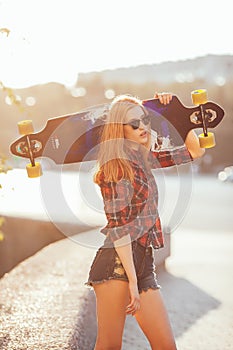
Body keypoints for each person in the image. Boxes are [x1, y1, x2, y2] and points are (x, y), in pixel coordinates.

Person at [86, 92, 205, 350]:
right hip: (117, 265)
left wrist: (177, 114)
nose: (143, 127)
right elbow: (119, 230)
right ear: (120, 130)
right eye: (134, 124)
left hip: (143, 262)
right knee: (108, 345)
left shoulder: (144, 159)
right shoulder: (113, 168)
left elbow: (195, 151)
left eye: (145, 119)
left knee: (165, 346)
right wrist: (131, 280)